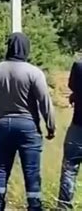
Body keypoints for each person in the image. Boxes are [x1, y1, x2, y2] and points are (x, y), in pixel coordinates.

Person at [0, 32, 56, 211]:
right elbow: (44, 101)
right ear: (26, 48)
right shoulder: (34, 72)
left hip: (3, 125)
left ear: (8, 47)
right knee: (31, 171)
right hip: (29, 126)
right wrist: (50, 126)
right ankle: (34, 207)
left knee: (1, 168)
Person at [56, 60, 82, 210]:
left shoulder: (78, 67)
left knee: (69, 169)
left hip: (78, 126)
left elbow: (73, 86)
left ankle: (64, 207)